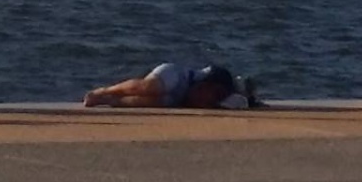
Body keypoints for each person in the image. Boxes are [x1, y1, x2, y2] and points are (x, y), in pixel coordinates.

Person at [83, 62, 250, 109]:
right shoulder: (187, 77)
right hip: (175, 77)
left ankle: (108, 100)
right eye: (213, 94)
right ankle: (104, 91)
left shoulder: (222, 97)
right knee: (149, 88)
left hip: (178, 97)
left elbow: (242, 100)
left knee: (151, 102)